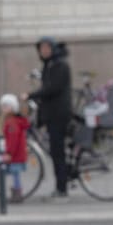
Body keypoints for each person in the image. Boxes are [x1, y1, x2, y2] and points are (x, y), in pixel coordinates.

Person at [29, 37, 72, 199]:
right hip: (53, 114)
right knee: (56, 151)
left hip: (58, 115)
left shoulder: (60, 65)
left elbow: (51, 88)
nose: (44, 51)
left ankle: (62, 189)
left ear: (53, 49)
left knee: (57, 152)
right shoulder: (50, 65)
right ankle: (62, 184)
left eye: (47, 48)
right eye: (41, 48)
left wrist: (31, 95)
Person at [0, 93, 31, 203]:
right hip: (18, 153)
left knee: (15, 174)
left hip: (15, 154)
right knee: (14, 174)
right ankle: (16, 192)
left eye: (5, 106)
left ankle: (17, 194)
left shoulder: (12, 123)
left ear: (12, 108)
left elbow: (12, 140)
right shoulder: (15, 121)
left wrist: (9, 153)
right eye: (2, 106)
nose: (3, 109)